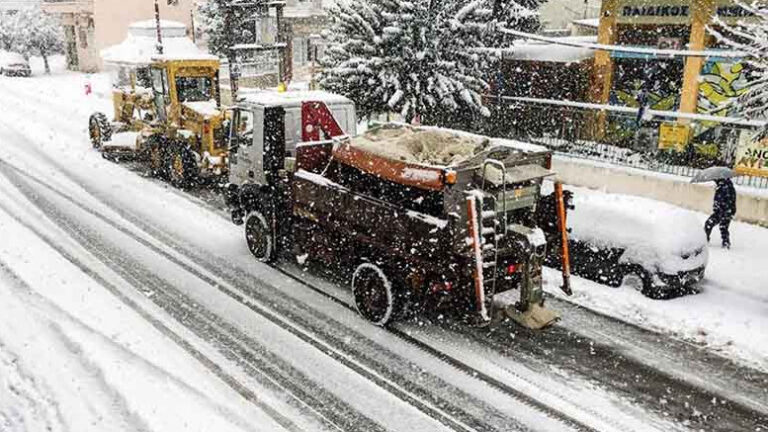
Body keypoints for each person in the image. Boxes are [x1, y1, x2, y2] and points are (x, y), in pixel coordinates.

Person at [705, 178, 737, 249]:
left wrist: (721, 207)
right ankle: (705, 240)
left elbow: (729, 201)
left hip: (725, 211)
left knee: (723, 227)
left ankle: (726, 243)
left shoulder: (727, 187)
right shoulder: (722, 186)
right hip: (720, 211)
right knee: (709, 224)